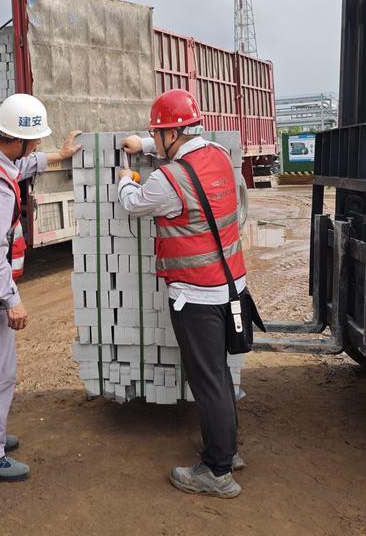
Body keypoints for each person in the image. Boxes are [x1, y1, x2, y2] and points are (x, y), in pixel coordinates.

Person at [118, 88, 254, 499]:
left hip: (197, 297)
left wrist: (126, 180)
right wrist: (143, 144)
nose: (153, 140)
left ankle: (216, 472)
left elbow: (136, 203)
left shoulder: (167, 180)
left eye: (156, 133)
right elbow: (184, 152)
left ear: (170, 135)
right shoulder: (217, 156)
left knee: (207, 380)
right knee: (219, 376)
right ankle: (226, 451)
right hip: (232, 287)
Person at [0, 93, 81, 482]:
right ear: (18, 138)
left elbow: (20, 167)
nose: (37, 146)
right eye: (35, 140)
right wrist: (12, 300)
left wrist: (57, 156)